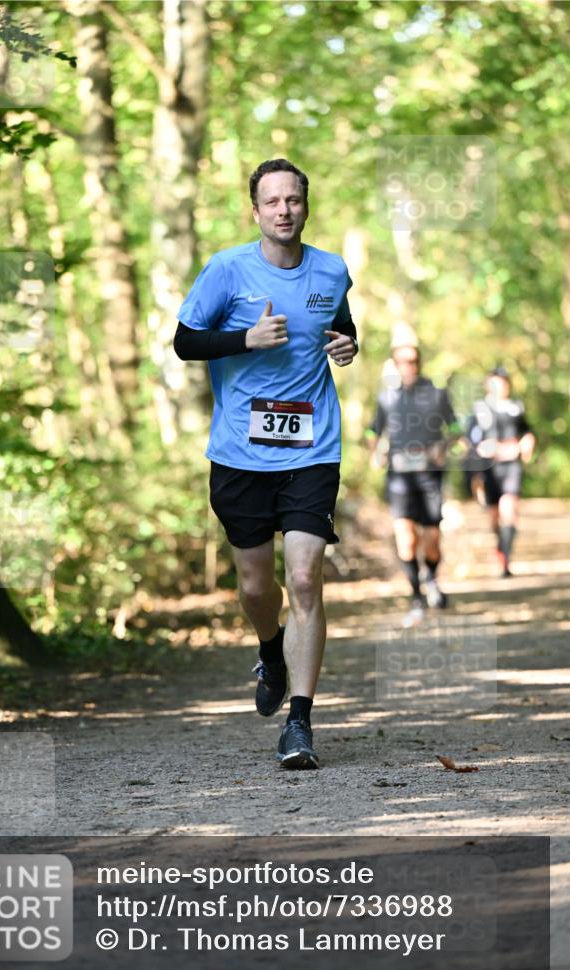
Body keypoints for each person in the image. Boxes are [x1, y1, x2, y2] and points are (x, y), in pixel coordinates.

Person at [174, 158, 358, 769]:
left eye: (294, 200)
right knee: (257, 586)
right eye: (273, 201)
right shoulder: (227, 269)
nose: (284, 210)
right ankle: (270, 649)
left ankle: (299, 723)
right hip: (239, 454)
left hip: (312, 447)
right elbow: (184, 342)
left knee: (305, 578)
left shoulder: (331, 270)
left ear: (307, 206)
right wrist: (242, 340)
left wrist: (347, 343)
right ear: (255, 211)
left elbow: (341, 323)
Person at [366, 342, 462, 627]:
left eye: (412, 362)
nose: (408, 367)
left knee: (431, 540)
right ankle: (416, 596)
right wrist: (375, 452)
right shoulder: (386, 397)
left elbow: (456, 428)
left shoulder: (436, 393)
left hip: (430, 474)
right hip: (399, 475)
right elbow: (373, 429)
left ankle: (431, 575)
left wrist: (442, 446)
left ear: (419, 364)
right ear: (395, 365)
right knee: (406, 538)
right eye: (402, 362)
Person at [470, 367, 535, 577]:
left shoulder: (516, 406)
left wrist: (527, 442)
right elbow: (469, 437)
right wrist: (479, 450)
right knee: (494, 517)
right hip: (489, 468)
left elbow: (527, 430)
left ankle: (505, 562)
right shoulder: (480, 408)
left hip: (512, 465)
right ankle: (500, 548)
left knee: (509, 511)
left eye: (504, 382)